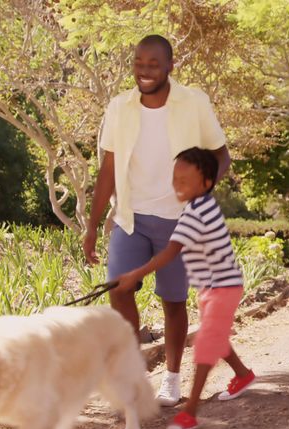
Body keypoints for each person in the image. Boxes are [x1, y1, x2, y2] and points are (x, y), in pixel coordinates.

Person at [83, 34, 232, 408]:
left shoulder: (193, 102)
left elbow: (221, 154)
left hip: (178, 220)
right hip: (131, 217)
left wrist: (203, 193)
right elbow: (108, 169)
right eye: (138, 63)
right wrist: (91, 224)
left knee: (173, 301)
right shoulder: (120, 107)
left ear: (169, 66)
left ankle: (171, 377)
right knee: (118, 289)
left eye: (153, 64)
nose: (144, 71)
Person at [114, 148, 257, 429]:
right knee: (214, 335)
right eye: (175, 179)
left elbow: (169, 254)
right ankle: (243, 374)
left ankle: (190, 412)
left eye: (185, 181)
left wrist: (134, 274)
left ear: (205, 183)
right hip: (212, 286)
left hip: (223, 286)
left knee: (206, 341)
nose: (177, 185)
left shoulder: (196, 212)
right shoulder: (200, 205)